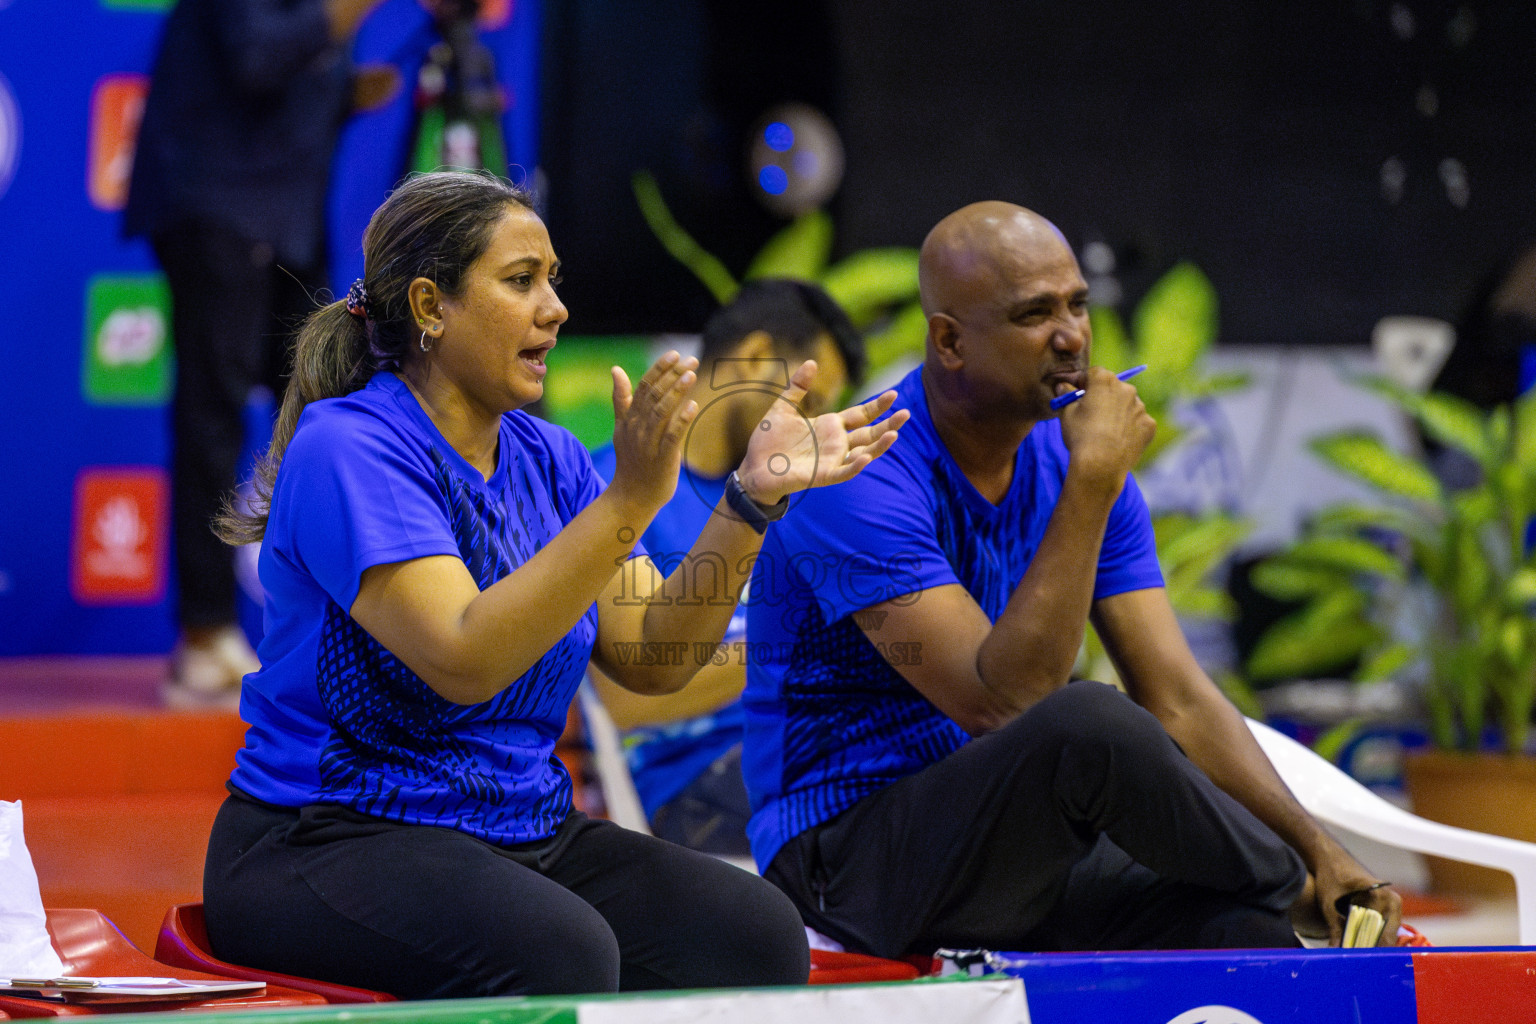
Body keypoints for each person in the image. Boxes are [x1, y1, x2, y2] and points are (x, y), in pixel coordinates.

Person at [200, 170, 906, 998]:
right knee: (562, 951)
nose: (556, 307)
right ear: (431, 306)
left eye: (554, 280)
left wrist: (752, 502)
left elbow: (653, 658)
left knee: (753, 931)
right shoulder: (350, 445)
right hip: (324, 834)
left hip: (519, 826)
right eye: (522, 280)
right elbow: (462, 658)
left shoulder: (555, 458)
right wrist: (635, 497)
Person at [741, 200, 1403, 958]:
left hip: (1007, 839)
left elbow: (1180, 695)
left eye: (1077, 305)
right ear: (949, 341)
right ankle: (1290, 890)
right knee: (1090, 724)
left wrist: (1324, 850)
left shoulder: (1079, 462)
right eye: (1034, 314)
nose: (1071, 336)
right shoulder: (863, 469)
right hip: (845, 854)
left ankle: (1293, 893)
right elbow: (1004, 703)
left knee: (1235, 930)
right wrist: (1090, 481)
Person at [124, 0, 398, 705]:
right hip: (218, 205)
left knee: (326, 413)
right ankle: (205, 634)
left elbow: (286, 75)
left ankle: (335, 627)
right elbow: (254, 56)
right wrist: (346, 12)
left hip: (286, 214)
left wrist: (345, 91)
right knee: (213, 417)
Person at [587, 280, 866, 855]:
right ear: (758, 356)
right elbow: (629, 702)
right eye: (808, 403)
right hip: (696, 786)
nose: (808, 429)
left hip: (809, 753)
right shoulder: (611, 485)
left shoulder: (796, 497)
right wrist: (799, 645)